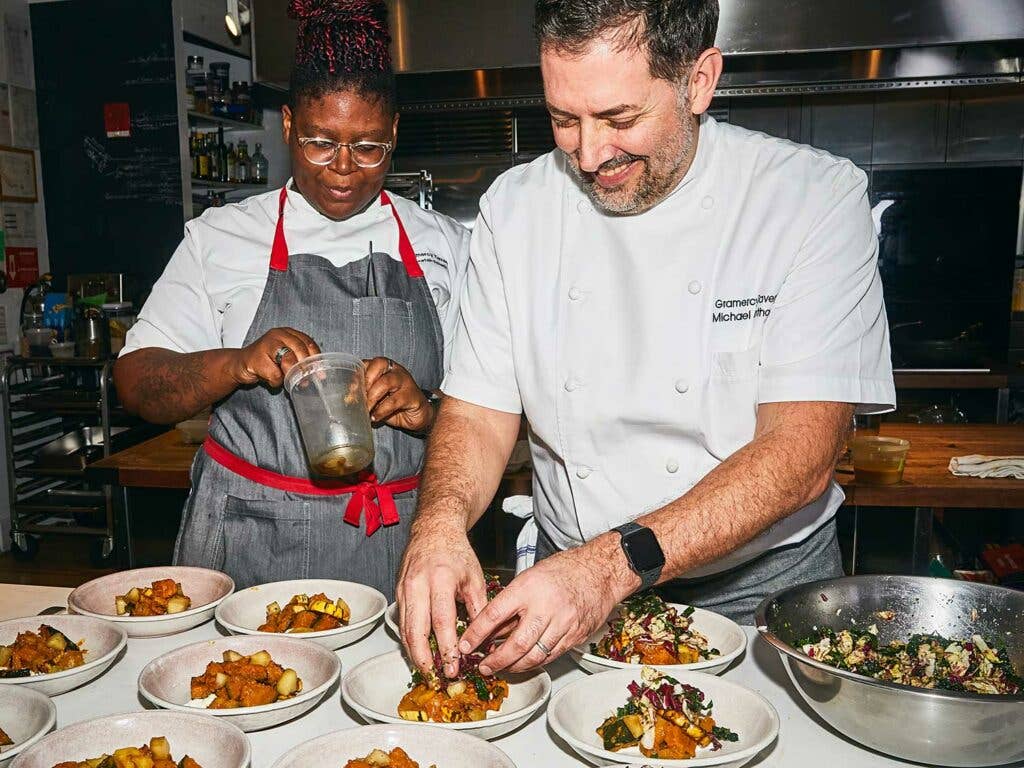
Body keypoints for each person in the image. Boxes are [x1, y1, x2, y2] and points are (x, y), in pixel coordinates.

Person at [396, 0, 895, 679]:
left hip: (756, 593)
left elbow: (805, 450)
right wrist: (440, 525)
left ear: (700, 81)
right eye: (563, 119)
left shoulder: (811, 201)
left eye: (619, 119)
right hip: (563, 588)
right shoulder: (515, 210)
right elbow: (480, 412)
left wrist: (610, 566)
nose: (590, 152)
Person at [115, 0, 468, 599]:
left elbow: (493, 417)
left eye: (369, 148)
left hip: (401, 551)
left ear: (395, 134)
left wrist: (427, 407)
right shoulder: (224, 237)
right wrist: (233, 364)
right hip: (251, 551)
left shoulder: (446, 246)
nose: (344, 171)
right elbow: (136, 383)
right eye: (320, 143)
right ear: (285, 127)